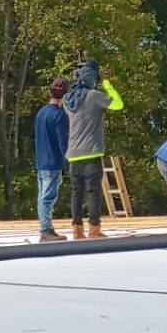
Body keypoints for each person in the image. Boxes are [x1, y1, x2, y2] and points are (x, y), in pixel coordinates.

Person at [62, 59, 124, 238]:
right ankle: (94, 229)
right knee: (93, 192)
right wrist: (106, 83)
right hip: (92, 152)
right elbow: (118, 104)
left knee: (76, 193)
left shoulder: (68, 99)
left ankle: (77, 230)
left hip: (73, 154)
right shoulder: (94, 96)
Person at [33, 79, 69, 240]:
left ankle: (46, 228)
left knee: (42, 196)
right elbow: (63, 143)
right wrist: (69, 161)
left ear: (50, 92)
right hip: (53, 162)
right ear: (65, 96)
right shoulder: (59, 115)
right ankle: (45, 230)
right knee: (48, 198)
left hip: (41, 161)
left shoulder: (41, 113)